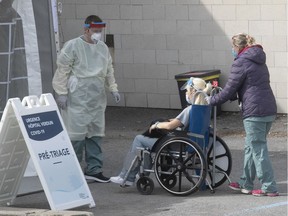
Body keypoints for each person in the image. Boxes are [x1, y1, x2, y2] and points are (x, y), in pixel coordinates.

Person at [207, 33, 279, 196]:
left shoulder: (241, 62)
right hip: (267, 108)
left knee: (258, 148)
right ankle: (245, 182)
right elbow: (248, 85)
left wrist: (210, 100)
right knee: (250, 147)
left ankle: (269, 186)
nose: (232, 50)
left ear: (238, 47)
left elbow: (231, 87)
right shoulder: (259, 60)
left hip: (254, 112)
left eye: (233, 47)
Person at [52, 15, 120, 183]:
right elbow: (62, 71)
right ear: (86, 30)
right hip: (77, 98)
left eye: (100, 31)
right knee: (76, 135)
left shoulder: (103, 48)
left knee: (95, 134)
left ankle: (93, 169)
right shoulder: (73, 46)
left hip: (96, 99)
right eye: (95, 31)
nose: (98, 34)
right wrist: (61, 92)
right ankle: (72, 171)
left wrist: (113, 88)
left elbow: (109, 69)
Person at [110, 77, 211, 186]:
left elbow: (170, 126)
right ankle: (141, 174)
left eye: (187, 91)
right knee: (148, 140)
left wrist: (156, 125)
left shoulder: (190, 109)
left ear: (193, 91)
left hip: (179, 144)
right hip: (195, 142)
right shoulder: (204, 108)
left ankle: (127, 176)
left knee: (139, 139)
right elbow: (179, 121)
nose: (186, 93)